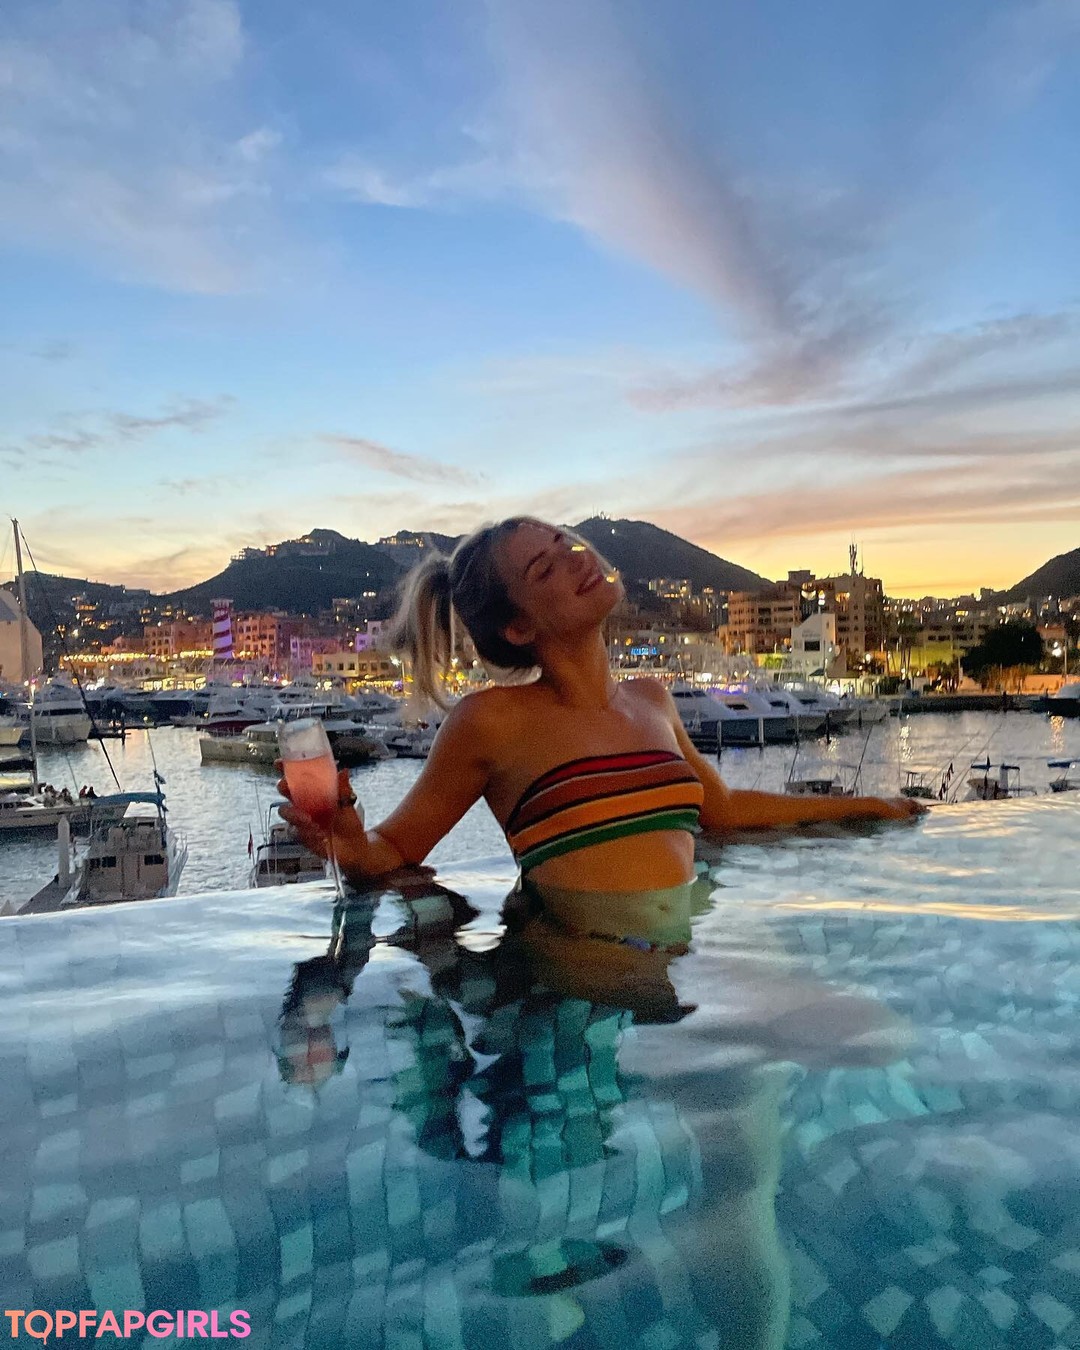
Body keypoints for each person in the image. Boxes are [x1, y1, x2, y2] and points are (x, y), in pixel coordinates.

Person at [281, 518, 922, 892]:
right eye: (544, 569)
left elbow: (723, 811)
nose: (575, 558)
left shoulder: (652, 699)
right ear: (518, 628)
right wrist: (347, 845)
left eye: (566, 543)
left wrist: (868, 807)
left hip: (681, 958)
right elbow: (395, 846)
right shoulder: (490, 722)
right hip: (581, 980)